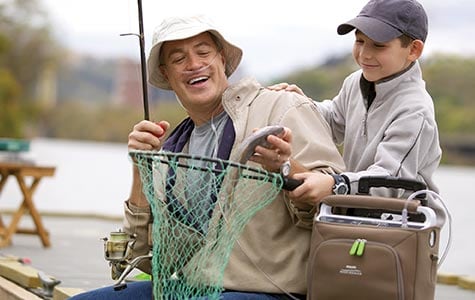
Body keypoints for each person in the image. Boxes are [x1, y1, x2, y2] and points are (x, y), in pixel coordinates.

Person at [70, 15, 344, 299]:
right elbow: (141, 260)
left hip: (269, 292)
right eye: (178, 59)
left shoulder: (283, 106)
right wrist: (142, 168)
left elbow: (336, 205)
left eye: (203, 52)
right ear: (165, 74)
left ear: (222, 59)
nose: (193, 64)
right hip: (192, 288)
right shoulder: (173, 149)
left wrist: (285, 168)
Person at [268, 0, 442, 205]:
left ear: (413, 50)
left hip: (400, 224)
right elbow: (333, 121)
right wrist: (302, 103)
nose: (365, 54)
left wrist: (335, 183)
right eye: (359, 41)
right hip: (355, 210)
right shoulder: (354, 82)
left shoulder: (415, 110)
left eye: (379, 45)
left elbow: (389, 183)